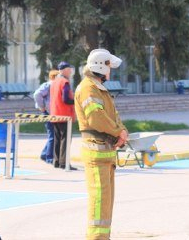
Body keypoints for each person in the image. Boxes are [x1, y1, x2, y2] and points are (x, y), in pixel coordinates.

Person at [75, 48, 128, 240]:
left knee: (105, 203)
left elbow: (112, 115)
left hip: (105, 155)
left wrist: (122, 131)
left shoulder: (99, 89)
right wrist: (117, 131)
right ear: (101, 67)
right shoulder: (88, 88)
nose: (110, 71)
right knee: (99, 202)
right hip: (96, 154)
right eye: (109, 66)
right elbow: (96, 117)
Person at [50, 61, 77, 170]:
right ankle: (64, 163)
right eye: (69, 69)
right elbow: (66, 99)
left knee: (57, 138)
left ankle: (56, 161)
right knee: (65, 139)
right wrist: (76, 101)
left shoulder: (54, 81)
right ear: (64, 70)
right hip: (64, 114)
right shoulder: (64, 82)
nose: (70, 72)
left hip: (55, 114)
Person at [33, 69, 60, 164]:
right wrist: (42, 107)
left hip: (52, 112)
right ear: (54, 77)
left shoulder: (53, 85)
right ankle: (49, 157)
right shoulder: (49, 85)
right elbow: (37, 94)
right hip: (48, 113)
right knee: (53, 135)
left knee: (53, 134)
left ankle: (44, 154)